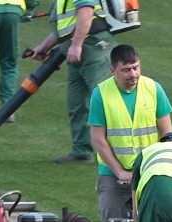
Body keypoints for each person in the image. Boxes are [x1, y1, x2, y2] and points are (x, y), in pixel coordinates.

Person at [88, 43, 172, 222]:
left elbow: (167, 136)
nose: (133, 74)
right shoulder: (101, 94)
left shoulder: (154, 89)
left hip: (149, 176)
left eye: (136, 67)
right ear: (113, 70)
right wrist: (120, 171)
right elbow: (99, 141)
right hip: (113, 177)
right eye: (126, 70)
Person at [31, 0, 116, 162]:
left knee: (105, 100)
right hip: (78, 50)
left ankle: (118, 152)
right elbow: (65, 27)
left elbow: (86, 13)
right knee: (76, 103)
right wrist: (43, 47)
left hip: (93, 47)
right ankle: (81, 150)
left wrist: (77, 45)